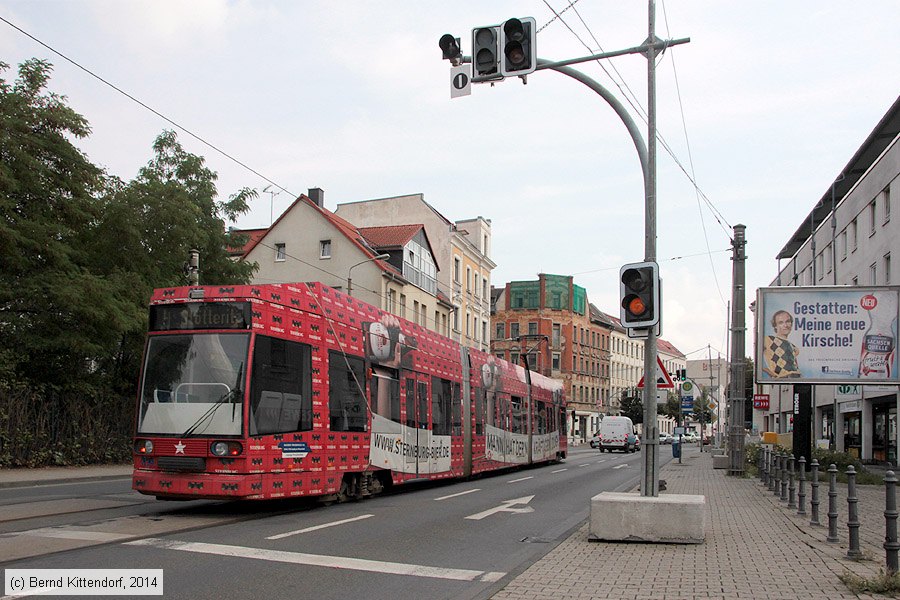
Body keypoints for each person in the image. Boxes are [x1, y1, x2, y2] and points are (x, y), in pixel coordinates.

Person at [762, 309, 801, 378]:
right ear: (775, 326)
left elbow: (795, 366)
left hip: (797, 379)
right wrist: (772, 374)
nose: (785, 325)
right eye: (781, 322)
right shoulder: (768, 339)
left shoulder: (793, 347)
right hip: (782, 379)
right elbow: (757, 360)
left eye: (788, 321)